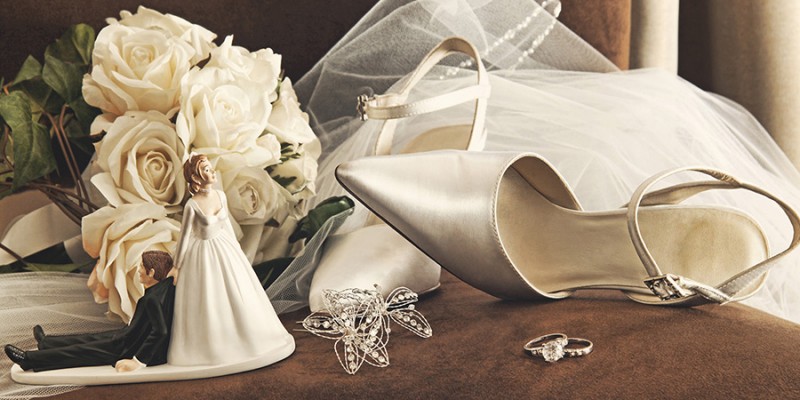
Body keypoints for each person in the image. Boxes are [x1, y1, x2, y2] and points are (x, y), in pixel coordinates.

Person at [166, 154, 293, 366]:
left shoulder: (220, 196)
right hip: (203, 255)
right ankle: (214, 348)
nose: (212, 172)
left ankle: (250, 338)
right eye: (206, 169)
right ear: (196, 178)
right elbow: (184, 238)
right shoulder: (192, 206)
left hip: (226, 247)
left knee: (239, 292)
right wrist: (177, 266)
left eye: (210, 167)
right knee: (210, 298)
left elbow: (227, 227)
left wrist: (237, 252)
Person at [3, 251, 175, 372]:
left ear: (151, 272)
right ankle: (47, 342)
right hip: (127, 337)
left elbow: (161, 331)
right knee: (89, 338)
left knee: (81, 351)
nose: (138, 270)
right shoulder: (164, 285)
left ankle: (28, 360)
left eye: (141, 266)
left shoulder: (151, 299)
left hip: (127, 347)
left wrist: (138, 361)